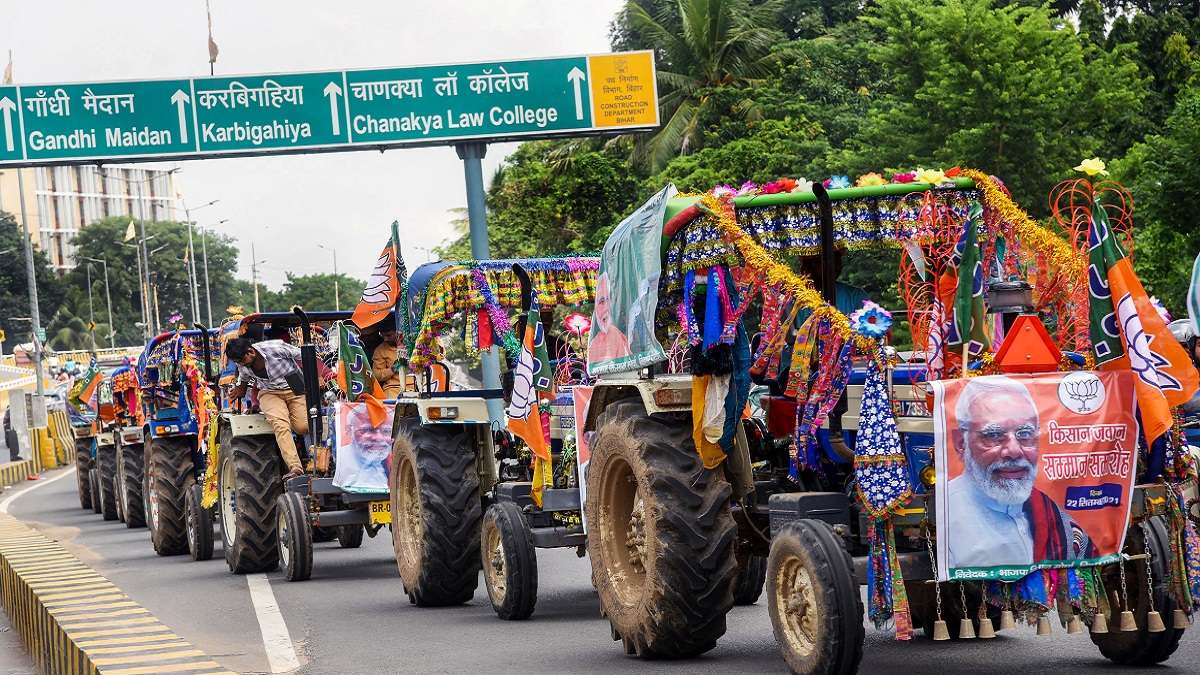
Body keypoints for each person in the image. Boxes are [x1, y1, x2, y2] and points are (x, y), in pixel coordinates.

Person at [947, 375, 1096, 568]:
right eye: (994, 435)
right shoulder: (947, 513)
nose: (1014, 451)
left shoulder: (1054, 514)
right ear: (961, 443)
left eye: (1025, 434)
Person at [225, 337, 310, 480]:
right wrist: (239, 389)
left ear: (250, 352)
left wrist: (318, 376)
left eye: (241, 361)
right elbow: (244, 379)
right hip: (269, 393)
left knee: (303, 427)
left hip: (294, 389)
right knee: (280, 425)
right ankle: (295, 467)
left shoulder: (276, 348)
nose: (240, 365)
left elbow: (306, 356)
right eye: (238, 362)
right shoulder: (243, 364)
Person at [587, 272, 630, 364]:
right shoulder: (595, 343)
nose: (607, 307)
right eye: (601, 301)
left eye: (610, 299)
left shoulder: (619, 335)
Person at [371, 328, 404, 398]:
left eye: (389, 335)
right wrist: (392, 369)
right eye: (383, 336)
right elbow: (376, 375)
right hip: (392, 388)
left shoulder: (412, 344)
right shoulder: (380, 350)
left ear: (398, 332)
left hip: (414, 386)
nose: (385, 339)